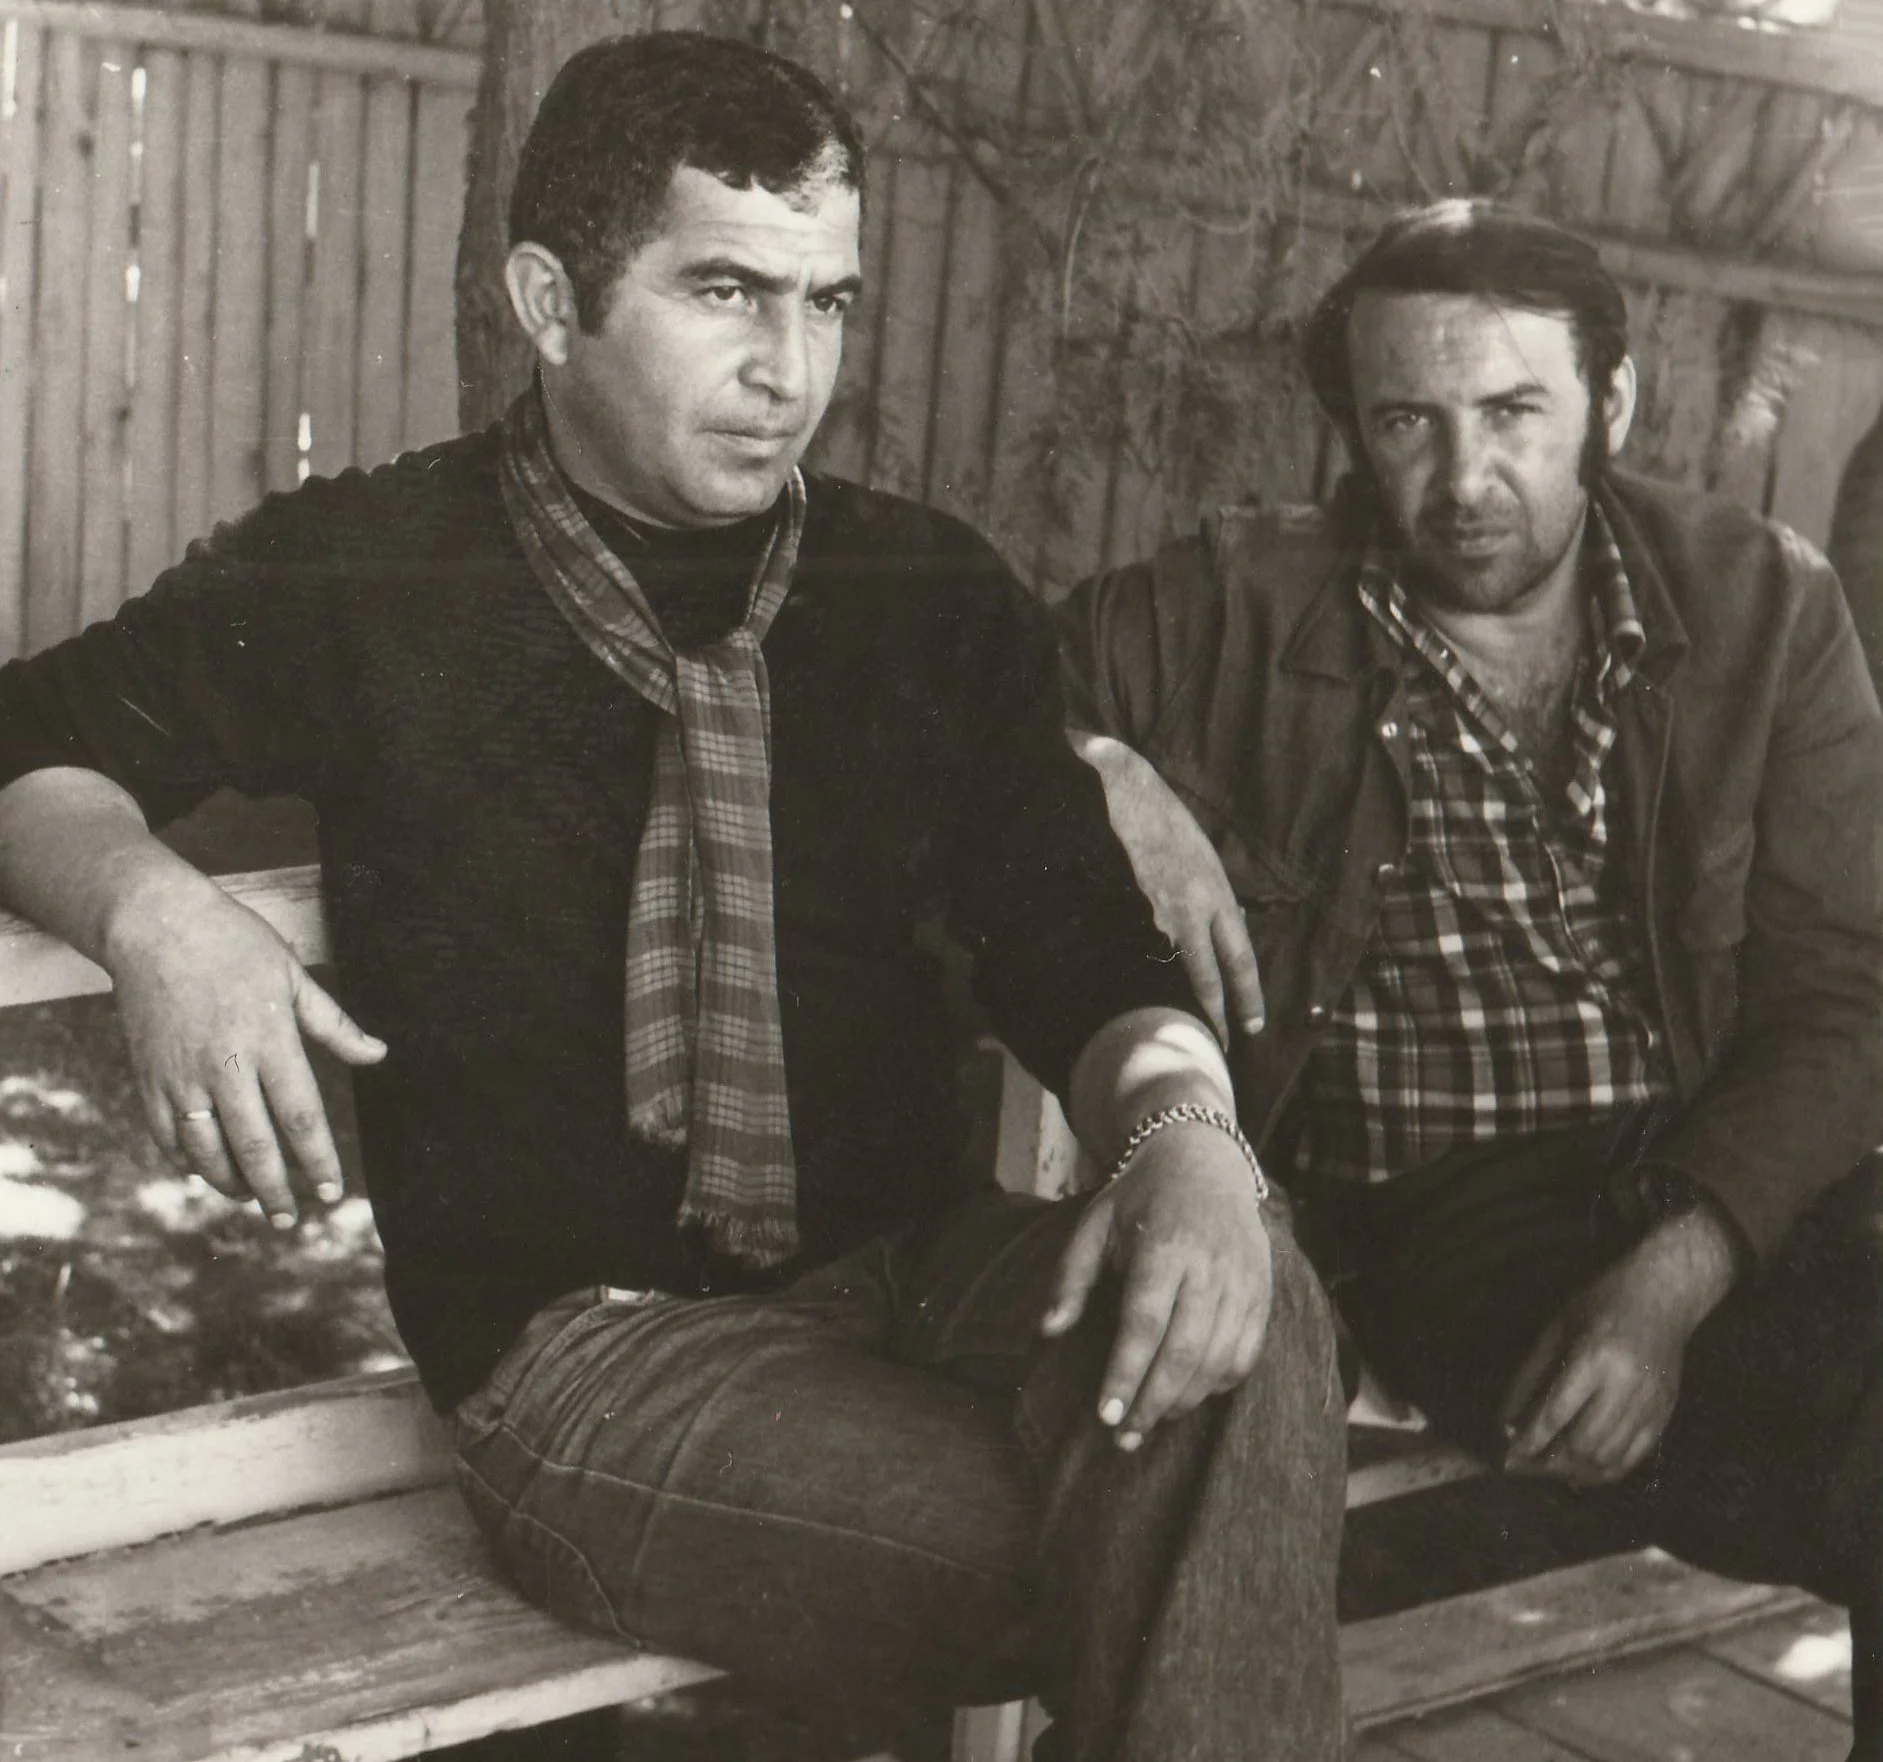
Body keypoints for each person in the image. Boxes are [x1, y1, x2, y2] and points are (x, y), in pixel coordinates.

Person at [0, 31, 1348, 1762]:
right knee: (1186, 1527)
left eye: (828, 303)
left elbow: (1079, 947)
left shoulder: (924, 594)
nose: (790, 371)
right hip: (593, 1363)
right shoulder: (372, 572)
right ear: (549, 303)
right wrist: (153, 912)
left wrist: (1190, 1140)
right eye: (726, 292)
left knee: (1250, 1305)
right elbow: (26, 734)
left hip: (920, 1275)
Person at [1058, 201, 1883, 1760]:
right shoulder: (1237, 607)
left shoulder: (1762, 605)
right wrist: (1098, 760)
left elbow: (1849, 994)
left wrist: (1674, 1273)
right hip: (1443, 1215)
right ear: (1354, 432)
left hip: (1719, 1173)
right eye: (1407, 423)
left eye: (1513, 412)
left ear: (1610, 401)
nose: (1462, 479)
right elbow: (959, 704)